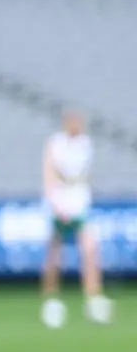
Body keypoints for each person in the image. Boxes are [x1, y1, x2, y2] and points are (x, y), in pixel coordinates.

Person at [41, 109, 111, 329]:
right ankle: (51, 298)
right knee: (55, 252)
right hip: (60, 198)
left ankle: (93, 297)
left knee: (90, 249)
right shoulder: (56, 143)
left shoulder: (85, 144)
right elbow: (50, 172)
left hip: (78, 199)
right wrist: (55, 201)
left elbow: (83, 175)